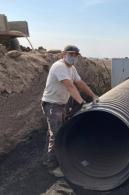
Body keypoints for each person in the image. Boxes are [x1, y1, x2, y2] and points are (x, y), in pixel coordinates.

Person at [41, 45, 98, 176]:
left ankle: (46, 159)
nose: (73, 57)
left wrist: (93, 96)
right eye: (71, 54)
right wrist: (82, 102)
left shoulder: (71, 68)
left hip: (60, 104)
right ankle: (52, 167)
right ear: (63, 54)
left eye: (75, 55)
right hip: (52, 105)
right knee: (57, 135)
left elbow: (80, 83)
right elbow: (70, 86)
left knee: (52, 133)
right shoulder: (59, 66)